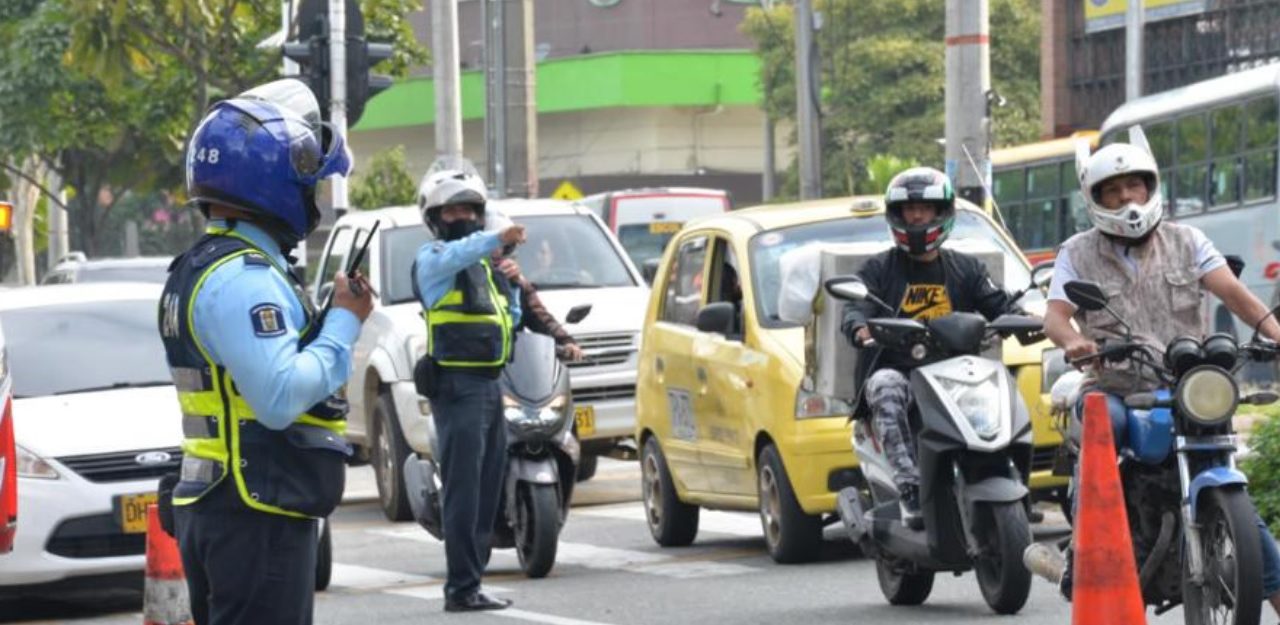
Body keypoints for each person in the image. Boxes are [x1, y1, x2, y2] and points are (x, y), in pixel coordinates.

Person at [157, 78, 373, 625]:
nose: (312, 200)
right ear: (272, 184)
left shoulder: (203, 266)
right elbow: (278, 397)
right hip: (255, 512)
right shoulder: (244, 279)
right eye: (307, 186)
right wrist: (344, 322)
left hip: (230, 506)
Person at [1043, 127, 1280, 614]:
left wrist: (1275, 333)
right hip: (1116, 385)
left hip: (1187, 384)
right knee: (1102, 426)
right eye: (1113, 189)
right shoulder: (1077, 252)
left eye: (1134, 185)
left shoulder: (1188, 241)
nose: (1126, 197)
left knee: (1235, 495)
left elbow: (1234, 293)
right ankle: (1083, 554)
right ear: (1096, 198)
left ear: (1151, 188)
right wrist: (1075, 342)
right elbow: (1056, 317)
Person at [840, 167, 1021, 528]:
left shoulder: (966, 269)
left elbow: (997, 303)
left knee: (1002, 385)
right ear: (897, 215)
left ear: (942, 213)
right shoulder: (879, 269)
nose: (917, 216)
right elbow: (855, 306)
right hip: (900, 370)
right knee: (885, 385)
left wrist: (1023, 318)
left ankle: (1006, 475)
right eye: (909, 209)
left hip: (956, 374)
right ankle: (908, 486)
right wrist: (860, 327)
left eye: (926, 208)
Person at [412, 166, 525, 612]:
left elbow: (508, 322)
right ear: (437, 218)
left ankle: (472, 581)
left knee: (486, 488)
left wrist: (511, 284)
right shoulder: (434, 260)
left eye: (470, 209)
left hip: (490, 384)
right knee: (462, 489)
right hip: (457, 387)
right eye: (452, 209)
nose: (462, 216)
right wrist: (497, 239)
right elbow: (466, 250)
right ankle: (460, 588)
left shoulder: (485, 267)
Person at [485, 209, 586, 362]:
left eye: (502, 245)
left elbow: (539, 316)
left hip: (507, 369)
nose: (495, 251)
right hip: (464, 367)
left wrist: (566, 342)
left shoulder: (516, 282)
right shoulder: (457, 276)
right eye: (489, 244)